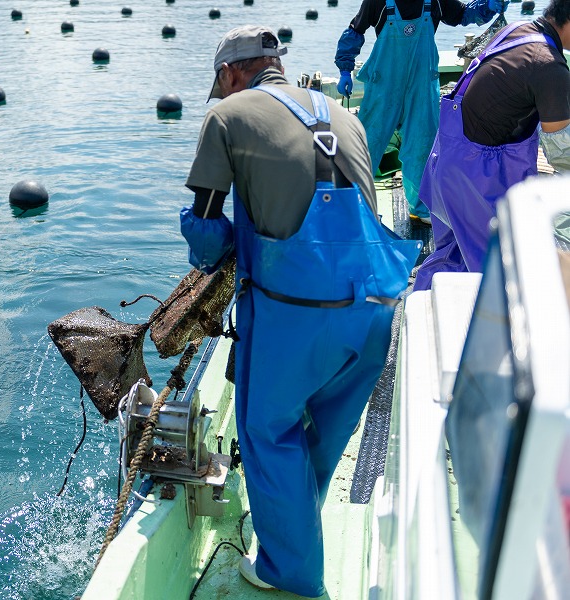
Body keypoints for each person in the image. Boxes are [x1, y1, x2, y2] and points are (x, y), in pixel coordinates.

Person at [180, 25, 420, 596]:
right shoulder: (345, 115)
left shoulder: (228, 116)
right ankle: (294, 529)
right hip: (374, 311)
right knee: (323, 429)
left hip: (296, 312)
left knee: (267, 429)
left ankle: (291, 572)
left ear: (233, 73)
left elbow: (209, 231)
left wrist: (210, 246)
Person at [415, 1, 570, 289]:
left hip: (445, 164)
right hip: (474, 179)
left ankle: (420, 309)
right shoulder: (548, 65)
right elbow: (562, 151)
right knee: (496, 275)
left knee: (449, 259)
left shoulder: (516, 31)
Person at [334, 0, 507, 224]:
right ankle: (354, 205)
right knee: (367, 144)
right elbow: (356, 30)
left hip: (421, 86)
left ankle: (421, 206)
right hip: (384, 87)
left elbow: (462, 15)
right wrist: (345, 68)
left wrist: (487, 7)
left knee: (422, 146)